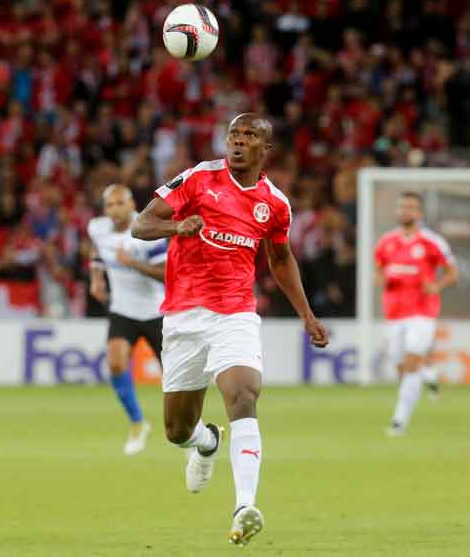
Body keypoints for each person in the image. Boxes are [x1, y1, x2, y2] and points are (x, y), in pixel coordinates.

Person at [131, 113, 328, 546]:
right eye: (234, 135)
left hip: (235, 313)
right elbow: (140, 224)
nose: (238, 142)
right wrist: (175, 226)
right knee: (177, 431)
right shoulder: (200, 178)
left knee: (243, 394)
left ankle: (244, 506)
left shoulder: (274, 203)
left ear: (265, 149)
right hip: (183, 316)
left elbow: (280, 260)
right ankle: (205, 443)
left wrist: (306, 315)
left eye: (250, 136)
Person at [87, 184, 167, 455]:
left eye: (120, 204)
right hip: (122, 309)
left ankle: (193, 429)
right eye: (109, 205)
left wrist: (132, 263)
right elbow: (98, 251)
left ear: (132, 206)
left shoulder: (148, 231)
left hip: (157, 311)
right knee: (116, 362)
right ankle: (137, 423)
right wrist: (97, 278)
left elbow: (166, 273)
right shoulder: (97, 228)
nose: (114, 210)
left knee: (175, 378)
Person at [375, 191, 458, 437]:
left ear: (419, 213)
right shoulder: (386, 242)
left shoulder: (432, 242)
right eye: (402, 207)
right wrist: (383, 277)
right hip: (393, 312)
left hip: (422, 311)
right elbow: (378, 273)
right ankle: (428, 374)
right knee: (400, 365)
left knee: (411, 362)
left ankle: (399, 421)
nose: (404, 211)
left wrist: (437, 286)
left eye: (410, 207)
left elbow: (451, 272)